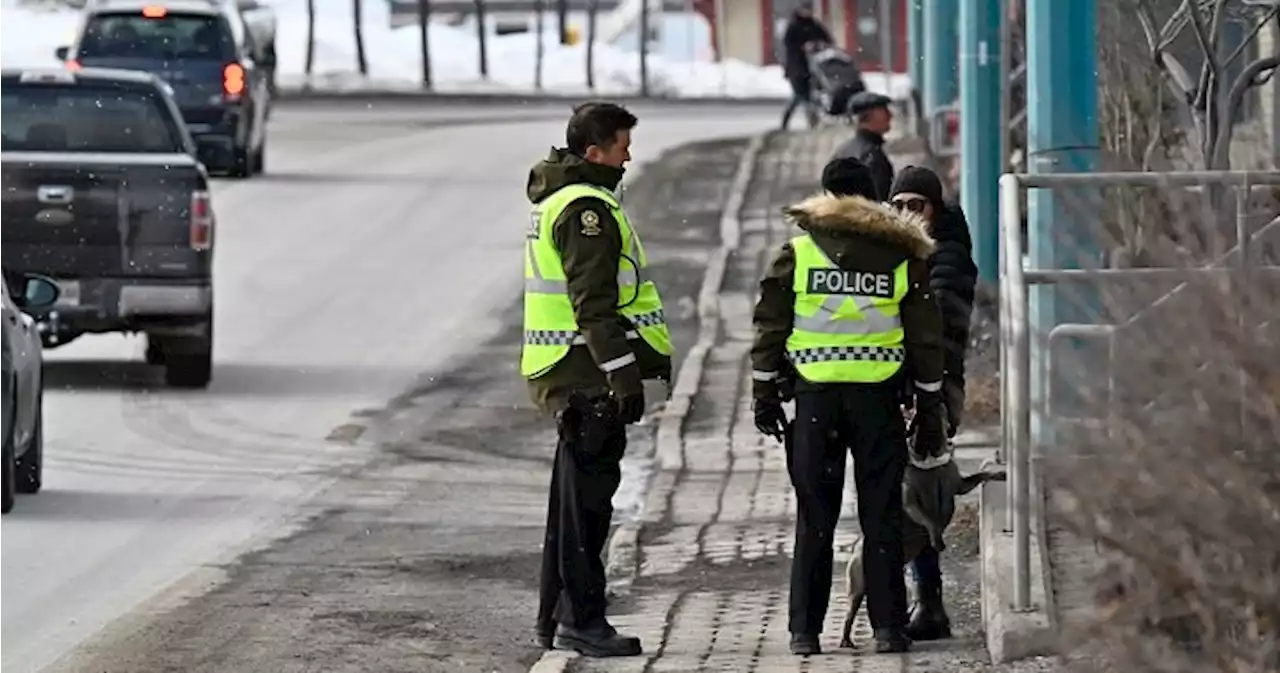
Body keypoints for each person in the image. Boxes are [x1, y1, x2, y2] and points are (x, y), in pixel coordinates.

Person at [751, 156, 948, 655]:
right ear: (871, 198)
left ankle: (804, 633)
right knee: (881, 515)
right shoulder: (902, 255)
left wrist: (764, 392)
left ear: (825, 194)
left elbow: (770, 326)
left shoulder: (796, 252)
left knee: (814, 515)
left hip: (815, 400)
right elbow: (926, 340)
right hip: (878, 400)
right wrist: (929, 408)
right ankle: (888, 629)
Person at [523, 102, 674, 658]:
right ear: (594, 153)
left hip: (567, 374)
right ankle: (583, 622)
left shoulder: (559, 197)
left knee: (569, 506)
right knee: (588, 508)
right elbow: (594, 304)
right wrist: (623, 375)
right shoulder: (586, 209)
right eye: (621, 146)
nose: (629, 155)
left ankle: (555, 616)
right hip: (587, 378)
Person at [887, 166, 978, 642]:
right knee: (913, 492)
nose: (906, 214)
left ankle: (928, 602)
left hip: (936, 391)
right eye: (897, 205)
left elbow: (937, 325)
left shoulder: (946, 255)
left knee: (918, 494)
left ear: (935, 208)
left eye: (915, 205)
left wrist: (923, 396)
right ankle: (925, 601)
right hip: (918, 389)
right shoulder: (911, 253)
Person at [830, 91, 896, 200]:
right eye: (884, 111)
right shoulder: (872, 155)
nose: (890, 115)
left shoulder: (842, 150)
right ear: (868, 116)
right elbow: (879, 200)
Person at [780, 0, 833, 130]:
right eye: (805, 10)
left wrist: (818, 44)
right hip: (796, 66)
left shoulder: (814, 25)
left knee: (808, 95)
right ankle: (803, 120)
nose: (808, 13)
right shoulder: (793, 26)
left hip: (812, 66)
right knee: (801, 95)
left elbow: (827, 38)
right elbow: (789, 45)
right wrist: (802, 47)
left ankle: (812, 121)